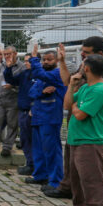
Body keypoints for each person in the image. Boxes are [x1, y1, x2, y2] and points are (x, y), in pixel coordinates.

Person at [46, 37, 103, 199]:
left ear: (99, 54)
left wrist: (72, 99)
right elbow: (68, 82)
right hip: (79, 125)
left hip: (91, 129)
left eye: (86, 53)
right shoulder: (87, 64)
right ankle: (70, 191)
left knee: (89, 170)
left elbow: (80, 102)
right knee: (73, 160)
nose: (82, 55)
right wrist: (62, 62)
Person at [59, 55, 103, 206]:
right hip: (76, 139)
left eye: (82, 65)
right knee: (77, 179)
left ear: (87, 69)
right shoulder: (84, 88)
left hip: (90, 141)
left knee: (93, 181)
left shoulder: (101, 90)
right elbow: (67, 105)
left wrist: (75, 107)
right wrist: (71, 86)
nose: (80, 68)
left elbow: (80, 114)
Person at [23, 45, 65, 188]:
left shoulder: (58, 74)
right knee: (39, 150)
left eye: (49, 59)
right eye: (44, 60)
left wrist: (34, 58)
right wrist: (42, 92)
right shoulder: (42, 77)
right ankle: (40, 175)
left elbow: (40, 74)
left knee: (52, 150)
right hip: (38, 117)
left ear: (57, 61)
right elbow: (32, 93)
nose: (46, 62)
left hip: (51, 118)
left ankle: (55, 181)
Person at [4, 49, 35, 175]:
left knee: (34, 140)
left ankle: (35, 165)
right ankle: (30, 163)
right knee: (25, 139)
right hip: (23, 111)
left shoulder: (40, 75)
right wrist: (9, 68)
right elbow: (11, 80)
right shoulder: (25, 74)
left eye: (29, 61)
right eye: (26, 61)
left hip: (33, 112)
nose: (27, 63)